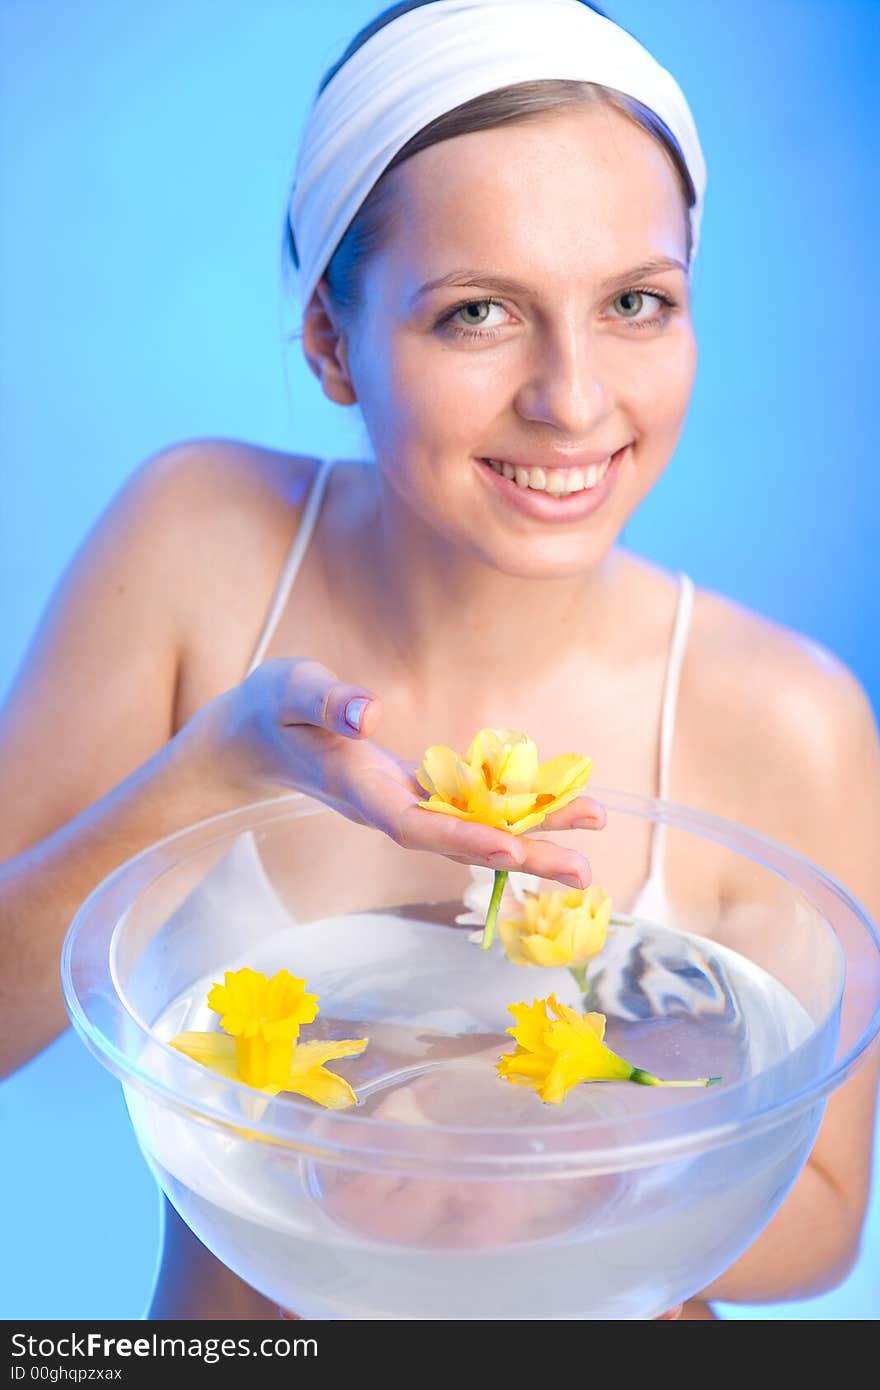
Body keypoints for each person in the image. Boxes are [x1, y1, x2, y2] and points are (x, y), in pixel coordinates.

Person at [1, 0, 878, 1324]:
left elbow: (816, 1222)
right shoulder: (197, 549)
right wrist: (206, 777)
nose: (573, 398)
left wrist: (487, 1162)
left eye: (636, 301)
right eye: (478, 313)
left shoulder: (790, 718)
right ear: (333, 344)